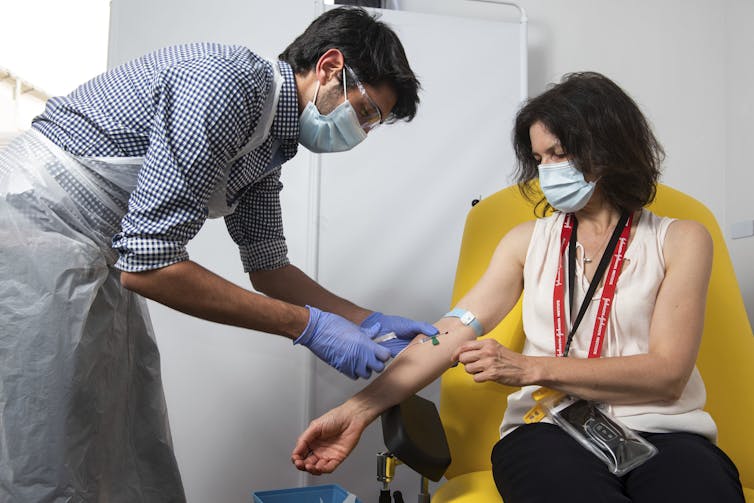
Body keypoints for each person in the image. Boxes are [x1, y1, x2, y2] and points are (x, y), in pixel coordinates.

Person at [0, 6, 438, 502]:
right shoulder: (227, 84)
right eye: (365, 114)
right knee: (42, 439)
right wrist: (307, 327)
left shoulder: (271, 142)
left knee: (124, 424)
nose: (361, 133)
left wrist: (366, 320)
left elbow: (269, 267)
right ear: (331, 67)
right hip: (34, 225)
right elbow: (151, 268)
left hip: (96, 245)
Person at [291, 72, 745, 502]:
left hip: (664, 431)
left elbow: (667, 375)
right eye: (539, 157)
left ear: (607, 151)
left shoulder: (680, 239)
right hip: (549, 428)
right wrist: (356, 411)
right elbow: (449, 334)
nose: (546, 171)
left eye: (559, 153)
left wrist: (531, 368)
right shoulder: (528, 243)